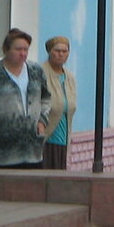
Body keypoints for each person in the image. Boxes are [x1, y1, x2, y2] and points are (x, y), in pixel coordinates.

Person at [0, 28, 51, 169]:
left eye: (26, 49)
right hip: (1, 153)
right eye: (18, 49)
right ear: (6, 49)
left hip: (32, 152)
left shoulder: (36, 71)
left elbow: (46, 98)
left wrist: (42, 121)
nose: (23, 53)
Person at [42, 36, 78, 170]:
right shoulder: (41, 73)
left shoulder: (69, 77)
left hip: (64, 137)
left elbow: (71, 105)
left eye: (65, 51)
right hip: (46, 138)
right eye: (57, 50)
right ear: (49, 51)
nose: (61, 54)